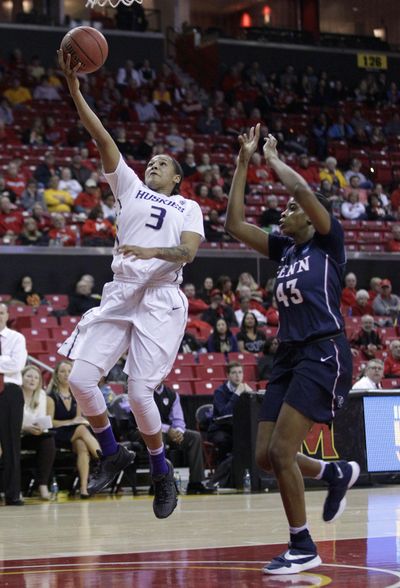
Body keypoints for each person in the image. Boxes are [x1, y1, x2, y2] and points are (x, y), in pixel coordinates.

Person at [56, 51, 204, 519]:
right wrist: (76, 89)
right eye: (153, 160)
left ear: (178, 178)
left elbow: (187, 254)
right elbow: (100, 133)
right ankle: (115, 452)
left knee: (140, 393)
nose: (154, 164)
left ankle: (161, 472)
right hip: (122, 291)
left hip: (161, 296)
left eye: (164, 163)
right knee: (81, 379)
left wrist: (151, 253)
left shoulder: (187, 208)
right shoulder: (129, 185)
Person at [225, 124, 359, 575]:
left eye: (289, 208)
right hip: (289, 355)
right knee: (266, 457)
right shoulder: (284, 250)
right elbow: (234, 224)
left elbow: (301, 189)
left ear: (308, 213)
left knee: (282, 454)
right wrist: (244, 163)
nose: (283, 213)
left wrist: (274, 159)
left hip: (323, 350)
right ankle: (333, 473)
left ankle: (302, 546)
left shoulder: (328, 240)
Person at [130, 383, 214, 494]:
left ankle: (195, 483)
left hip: (167, 432)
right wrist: (168, 430)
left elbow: (178, 419)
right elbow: (145, 420)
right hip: (141, 430)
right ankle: (158, 483)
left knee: (194, 437)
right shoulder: (141, 392)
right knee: (159, 437)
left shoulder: (172, 394)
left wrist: (178, 432)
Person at [47, 361, 101, 499]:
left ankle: (84, 488)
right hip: (56, 435)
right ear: (56, 375)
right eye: (62, 371)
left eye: (69, 371)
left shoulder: (76, 395)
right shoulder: (51, 396)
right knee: (82, 429)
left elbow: (78, 419)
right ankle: (103, 457)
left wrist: (79, 421)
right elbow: (50, 422)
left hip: (73, 434)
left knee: (82, 445)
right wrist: (71, 422)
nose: (66, 375)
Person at [0, 303, 28, 505]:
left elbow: (17, 365)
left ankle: (12, 493)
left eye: (1, 312)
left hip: (9, 392)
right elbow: (9, 363)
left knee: (10, 444)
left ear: (7, 315)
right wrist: (5, 360)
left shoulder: (17, 338)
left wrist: (9, 362)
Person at [21, 365, 56, 500]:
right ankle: (16, 489)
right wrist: (25, 427)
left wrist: (40, 428)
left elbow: (41, 418)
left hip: (33, 434)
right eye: (29, 376)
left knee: (48, 440)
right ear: (22, 378)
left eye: (36, 377)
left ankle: (43, 486)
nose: (32, 380)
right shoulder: (15, 395)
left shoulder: (41, 395)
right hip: (18, 434)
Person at [208, 362, 253, 465]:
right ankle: (222, 471)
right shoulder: (219, 392)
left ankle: (244, 469)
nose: (238, 376)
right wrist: (237, 393)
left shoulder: (245, 391)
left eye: (240, 372)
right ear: (227, 375)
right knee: (225, 440)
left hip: (237, 428)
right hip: (220, 429)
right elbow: (224, 413)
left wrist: (251, 394)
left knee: (250, 438)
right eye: (234, 373)